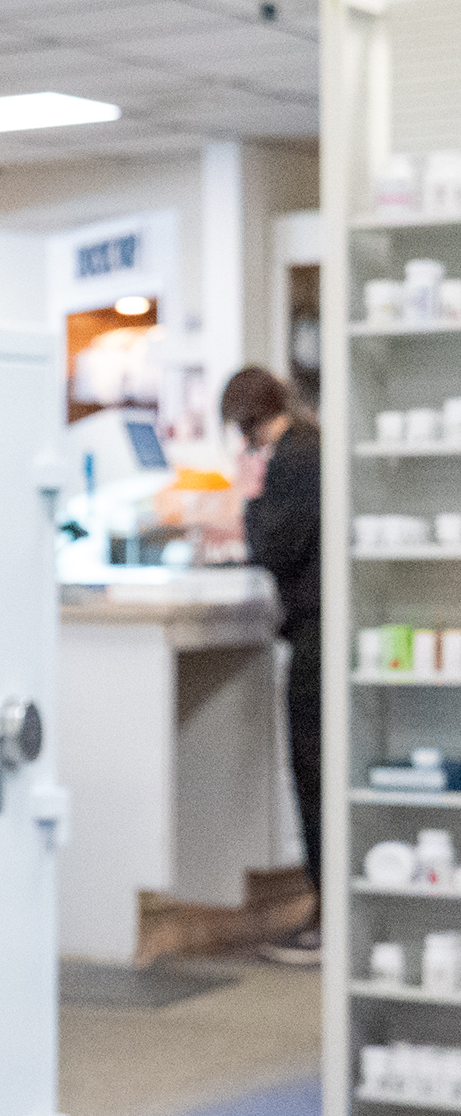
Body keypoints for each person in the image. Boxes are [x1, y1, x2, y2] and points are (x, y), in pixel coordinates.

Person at [223, 365, 323, 966]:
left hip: (312, 636)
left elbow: (275, 547)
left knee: (312, 773)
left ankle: (322, 915)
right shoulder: (315, 444)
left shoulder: (290, 459)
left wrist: (251, 501)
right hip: (324, 630)